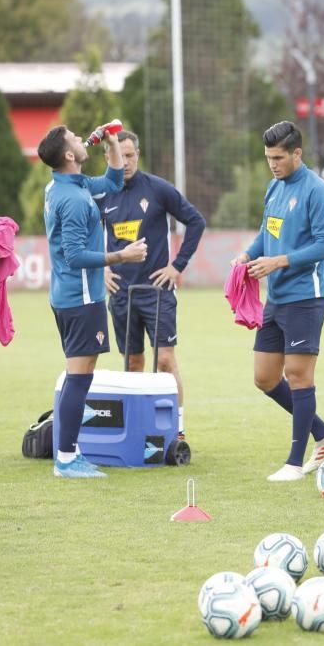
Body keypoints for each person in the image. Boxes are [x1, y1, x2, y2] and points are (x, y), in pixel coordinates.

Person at [233, 121, 324, 482]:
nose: (273, 164)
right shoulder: (273, 187)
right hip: (275, 299)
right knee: (264, 378)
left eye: (279, 157)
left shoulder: (317, 190)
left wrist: (279, 261)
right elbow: (269, 232)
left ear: (297, 153)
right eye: (268, 158)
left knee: (298, 376)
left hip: (305, 298)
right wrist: (247, 255)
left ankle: (295, 463)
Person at [39, 123, 148, 479]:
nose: (80, 138)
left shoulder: (72, 184)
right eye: (73, 138)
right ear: (69, 155)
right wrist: (122, 256)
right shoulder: (71, 198)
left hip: (73, 296)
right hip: (80, 296)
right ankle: (67, 458)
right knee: (79, 376)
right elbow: (73, 255)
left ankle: (69, 452)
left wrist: (113, 142)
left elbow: (114, 181)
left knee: (81, 375)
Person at [100, 130, 205, 441]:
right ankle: (138, 430)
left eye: (131, 155)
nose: (126, 161)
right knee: (132, 362)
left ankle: (178, 430)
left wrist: (177, 266)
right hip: (121, 293)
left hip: (156, 292)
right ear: (108, 158)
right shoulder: (102, 194)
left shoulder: (158, 189)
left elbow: (196, 220)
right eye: (120, 155)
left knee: (165, 359)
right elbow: (87, 233)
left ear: (138, 155)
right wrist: (100, 271)